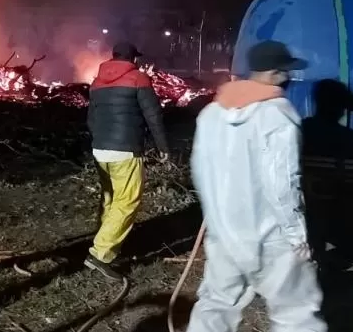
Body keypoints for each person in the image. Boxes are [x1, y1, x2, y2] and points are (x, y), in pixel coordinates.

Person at [186, 40, 327, 332]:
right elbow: (282, 183)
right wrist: (297, 236)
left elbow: (199, 171)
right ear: (275, 72)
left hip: (225, 237)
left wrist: (217, 222)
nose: (288, 78)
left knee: (214, 309)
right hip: (270, 238)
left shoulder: (210, 114)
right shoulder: (278, 115)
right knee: (296, 315)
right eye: (286, 72)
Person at [85, 41, 170, 280]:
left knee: (110, 198)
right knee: (127, 200)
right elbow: (153, 115)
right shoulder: (138, 78)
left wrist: (100, 140)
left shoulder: (97, 82)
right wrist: (163, 147)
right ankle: (100, 254)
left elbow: (90, 119)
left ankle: (108, 245)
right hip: (125, 151)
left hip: (100, 150)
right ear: (133, 59)